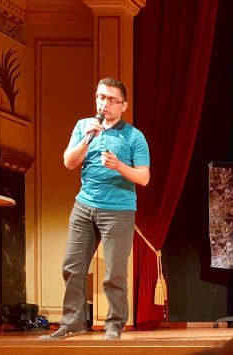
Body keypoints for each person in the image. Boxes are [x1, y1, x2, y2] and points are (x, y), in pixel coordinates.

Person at [39, 77, 150, 340]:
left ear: (123, 105)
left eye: (112, 100)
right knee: (72, 266)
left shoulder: (134, 136)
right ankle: (72, 323)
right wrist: (88, 139)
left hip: (119, 211)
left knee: (114, 272)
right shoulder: (84, 127)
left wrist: (119, 167)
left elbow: (144, 178)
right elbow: (69, 162)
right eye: (101, 97)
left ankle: (114, 325)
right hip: (84, 206)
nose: (105, 104)